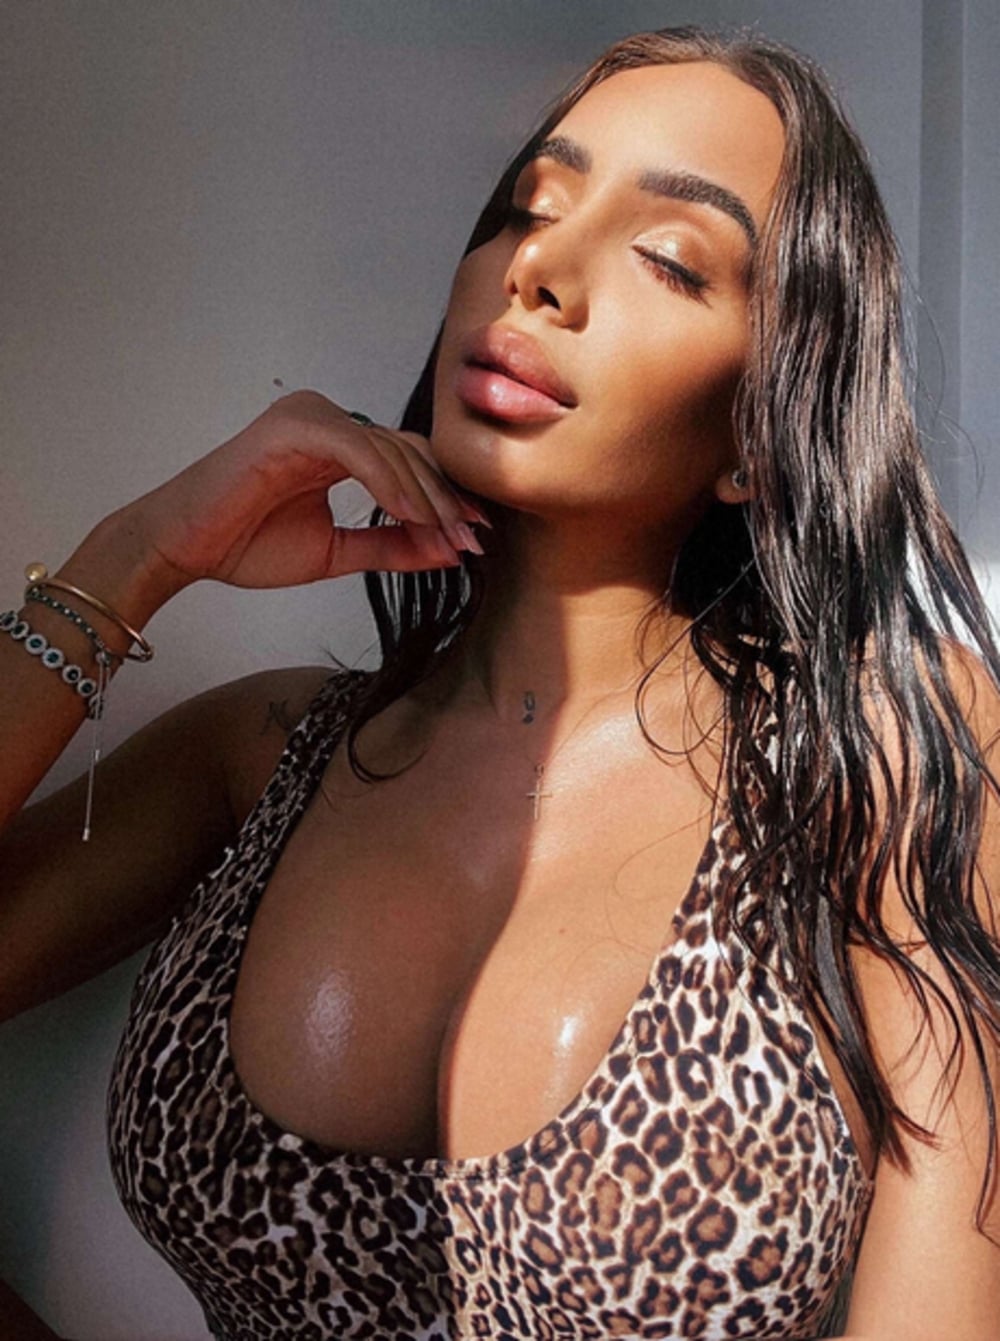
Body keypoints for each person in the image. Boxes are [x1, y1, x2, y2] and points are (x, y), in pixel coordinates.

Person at [1, 23, 998, 1341]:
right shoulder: (265, 756)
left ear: (760, 434)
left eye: (668, 257)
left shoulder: (880, 746)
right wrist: (137, 557)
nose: (540, 270)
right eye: (532, 206)